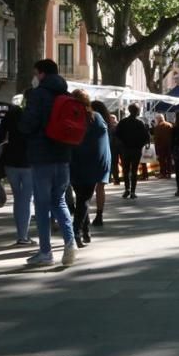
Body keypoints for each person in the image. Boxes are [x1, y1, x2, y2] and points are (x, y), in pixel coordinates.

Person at [19, 59, 76, 266]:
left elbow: (28, 124)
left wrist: (23, 119)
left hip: (42, 157)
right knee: (59, 201)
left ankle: (45, 252)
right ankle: (70, 242)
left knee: (42, 206)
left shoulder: (38, 95)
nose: (35, 77)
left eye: (36, 73)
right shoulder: (66, 95)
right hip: (63, 156)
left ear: (41, 74)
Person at [69, 90, 110, 249]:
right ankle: (76, 232)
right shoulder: (96, 118)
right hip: (92, 165)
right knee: (83, 200)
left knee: (81, 198)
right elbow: (103, 146)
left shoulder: (72, 118)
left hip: (75, 163)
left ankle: (85, 231)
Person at [0, 93, 33, 245]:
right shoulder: (34, 115)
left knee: (18, 198)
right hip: (30, 162)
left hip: (10, 161)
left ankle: (21, 234)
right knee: (26, 199)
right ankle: (23, 236)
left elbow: (0, 135)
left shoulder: (11, 113)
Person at [116, 103, 149, 199]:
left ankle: (127, 189)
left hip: (125, 150)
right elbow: (145, 137)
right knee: (134, 171)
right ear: (136, 111)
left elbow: (117, 135)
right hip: (136, 150)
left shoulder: (122, 122)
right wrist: (140, 145)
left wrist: (122, 144)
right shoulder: (140, 123)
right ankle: (133, 191)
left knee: (126, 171)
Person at [90, 100, 114, 227]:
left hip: (92, 157)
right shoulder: (108, 123)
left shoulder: (91, 121)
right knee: (100, 188)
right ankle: (99, 214)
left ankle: (84, 216)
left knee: (88, 188)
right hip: (105, 156)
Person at [153, 114, 174, 178]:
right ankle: (169, 173)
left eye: (156, 119)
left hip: (161, 146)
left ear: (159, 119)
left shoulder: (157, 127)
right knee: (169, 159)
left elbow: (156, 138)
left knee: (162, 160)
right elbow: (173, 136)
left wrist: (156, 148)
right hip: (169, 145)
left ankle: (163, 173)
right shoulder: (170, 125)